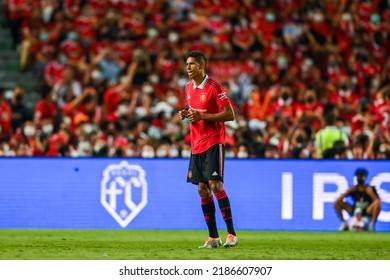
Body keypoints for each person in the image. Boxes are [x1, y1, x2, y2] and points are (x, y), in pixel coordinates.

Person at [178, 51, 238, 249]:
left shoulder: (214, 87)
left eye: (192, 64)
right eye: (187, 64)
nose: (188, 68)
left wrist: (203, 118)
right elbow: (197, 113)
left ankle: (231, 234)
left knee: (215, 185)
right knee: (202, 189)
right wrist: (187, 114)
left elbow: (230, 114)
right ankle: (213, 237)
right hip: (196, 144)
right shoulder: (188, 88)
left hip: (214, 141)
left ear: (201, 66)